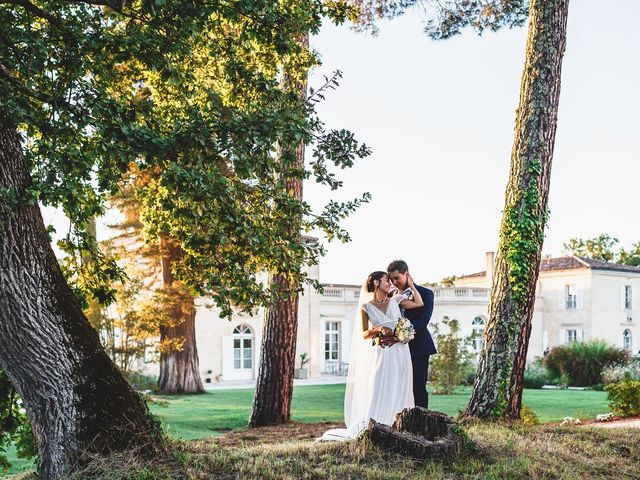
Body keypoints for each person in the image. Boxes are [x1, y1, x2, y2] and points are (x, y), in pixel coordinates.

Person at [318, 270, 424, 441]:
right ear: (376, 283)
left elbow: (419, 303)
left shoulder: (396, 300)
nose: (390, 284)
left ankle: (401, 425)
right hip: (382, 351)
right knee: (380, 383)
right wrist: (378, 329)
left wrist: (411, 284)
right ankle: (376, 424)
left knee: (401, 384)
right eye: (386, 281)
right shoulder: (366, 307)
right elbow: (365, 334)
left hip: (400, 350)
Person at [386, 260, 436, 409]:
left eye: (397, 278)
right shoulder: (390, 296)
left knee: (418, 387)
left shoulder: (426, 294)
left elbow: (423, 321)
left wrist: (401, 336)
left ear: (406, 274)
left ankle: (421, 421)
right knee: (398, 387)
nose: (394, 282)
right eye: (391, 279)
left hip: (419, 348)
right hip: (396, 349)